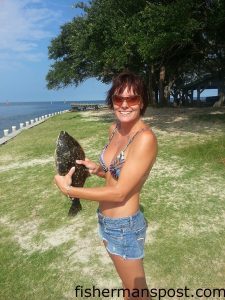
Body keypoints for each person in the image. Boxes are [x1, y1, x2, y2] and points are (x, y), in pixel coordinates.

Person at [54, 71, 158, 300]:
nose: (124, 105)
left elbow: (121, 192)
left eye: (131, 99)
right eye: (118, 99)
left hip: (124, 227)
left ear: (142, 102)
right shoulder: (115, 129)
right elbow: (115, 174)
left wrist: (69, 190)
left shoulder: (144, 139)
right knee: (127, 286)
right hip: (106, 221)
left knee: (138, 294)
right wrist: (98, 169)